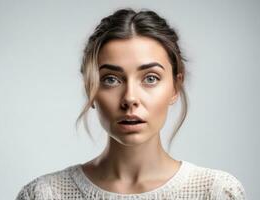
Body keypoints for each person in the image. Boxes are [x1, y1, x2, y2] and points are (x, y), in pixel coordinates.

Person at [16, 8, 247, 200]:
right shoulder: (45, 194)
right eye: (111, 80)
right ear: (91, 89)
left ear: (175, 87)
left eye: (150, 78)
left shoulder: (216, 192)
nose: (129, 99)